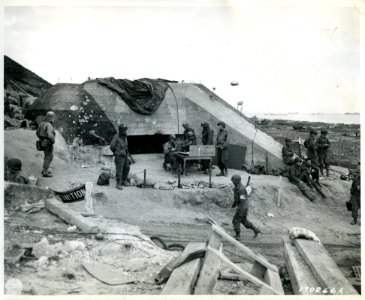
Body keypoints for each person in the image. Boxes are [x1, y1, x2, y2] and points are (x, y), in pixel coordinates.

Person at [230, 174, 260, 240]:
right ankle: (255, 230)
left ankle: (238, 236)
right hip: (242, 206)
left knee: (236, 220)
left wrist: (240, 211)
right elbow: (237, 199)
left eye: (233, 181)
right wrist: (233, 205)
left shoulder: (241, 189)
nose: (232, 182)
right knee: (243, 220)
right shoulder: (237, 188)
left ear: (236, 182)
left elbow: (242, 201)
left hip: (242, 207)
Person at [110, 123, 130, 190]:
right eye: (124, 130)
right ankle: (118, 183)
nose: (125, 131)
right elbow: (112, 146)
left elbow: (126, 145)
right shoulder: (116, 137)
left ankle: (124, 180)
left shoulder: (125, 136)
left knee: (127, 167)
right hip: (119, 156)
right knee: (119, 170)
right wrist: (116, 152)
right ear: (120, 130)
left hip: (125, 154)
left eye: (125, 130)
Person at [36, 111, 56, 177]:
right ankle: (45, 172)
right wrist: (52, 141)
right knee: (49, 157)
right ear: (50, 117)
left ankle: (45, 169)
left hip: (42, 142)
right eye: (53, 117)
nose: (54, 119)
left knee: (46, 155)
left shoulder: (41, 123)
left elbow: (37, 133)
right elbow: (50, 135)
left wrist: (42, 139)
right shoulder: (48, 125)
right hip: (48, 143)